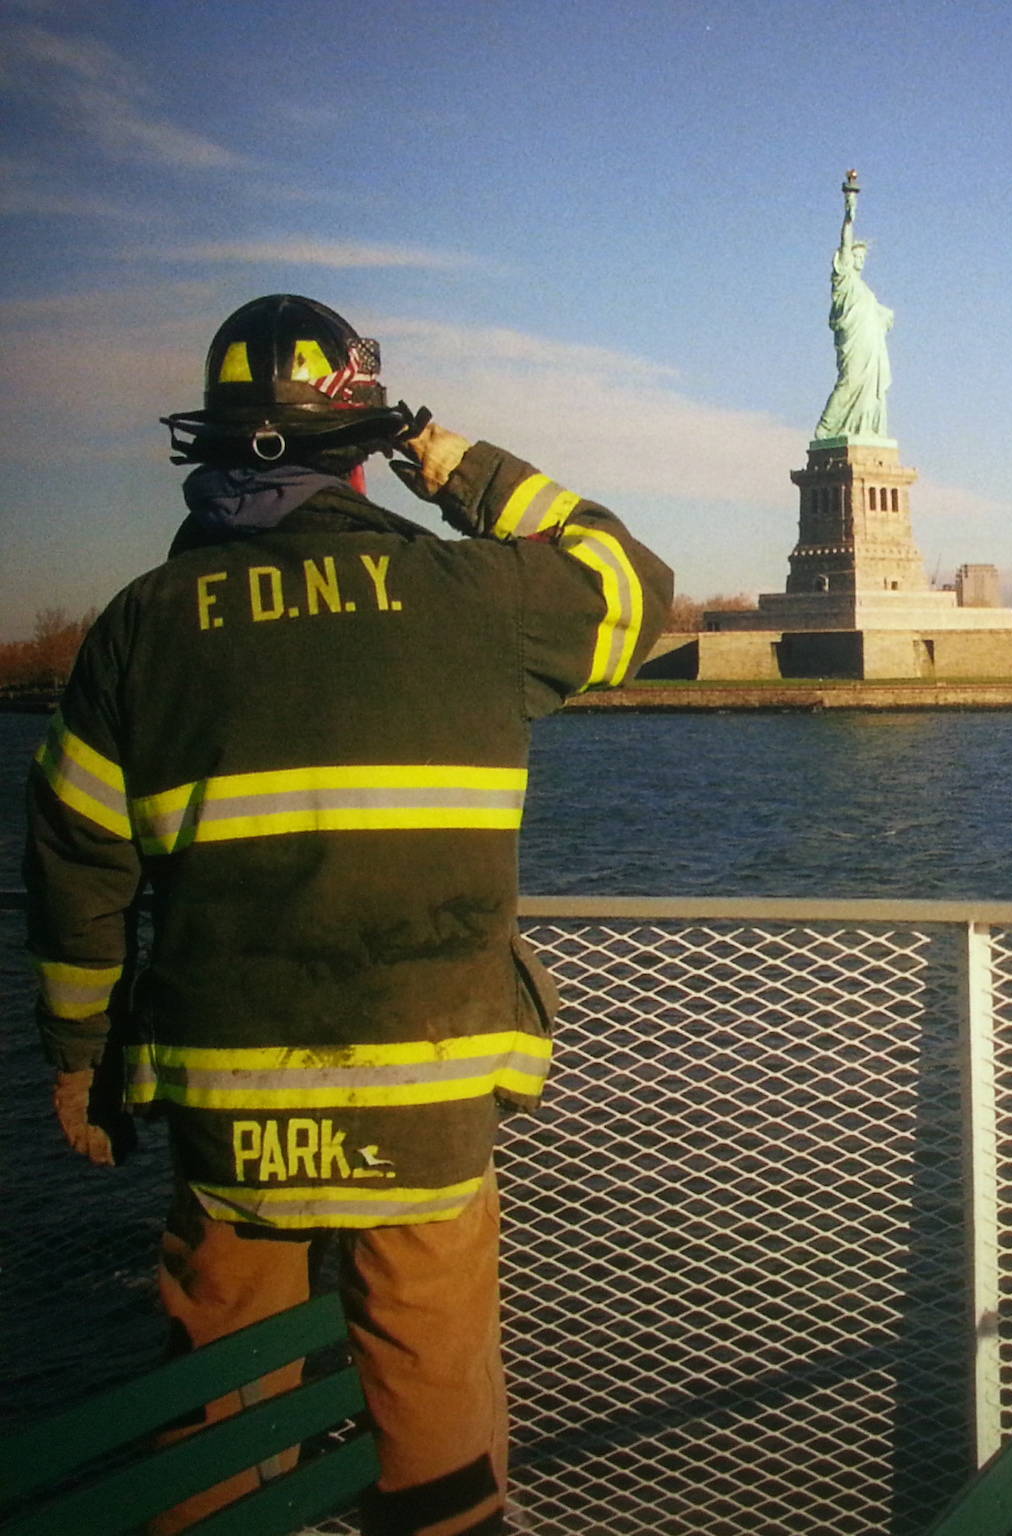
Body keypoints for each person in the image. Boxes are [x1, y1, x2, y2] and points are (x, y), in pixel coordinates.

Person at [24, 294, 674, 1535]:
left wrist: (76, 1060)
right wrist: (462, 466)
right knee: (431, 1407)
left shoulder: (140, 629)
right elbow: (630, 581)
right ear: (365, 447)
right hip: (421, 1085)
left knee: (213, 1407)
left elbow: (76, 863)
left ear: (209, 447)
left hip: (222, 1099)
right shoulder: (473, 598)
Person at [813, 172, 894, 440]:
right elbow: (846, 239)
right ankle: (826, 429)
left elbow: (879, 318)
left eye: (862, 257)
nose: (859, 260)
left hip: (871, 345)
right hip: (854, 343)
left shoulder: (866, 292)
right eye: (855, 256)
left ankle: (865, 430)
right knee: (849, 381)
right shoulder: (844, 279)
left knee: (870, 389)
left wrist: (885, 316)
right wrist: (850, 207)